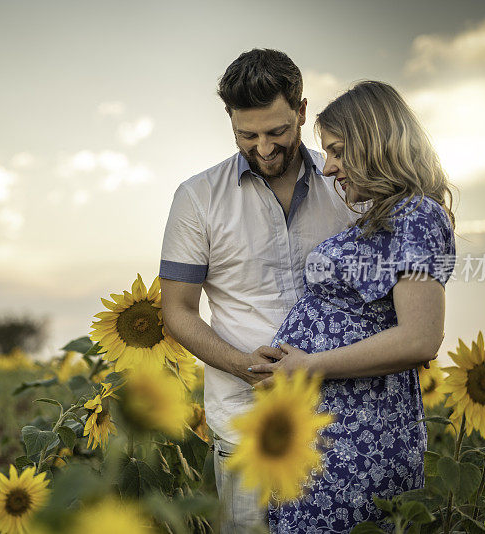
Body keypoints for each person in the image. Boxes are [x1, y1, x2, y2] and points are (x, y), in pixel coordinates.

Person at [159, 49, 360, 532]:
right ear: (231, 123)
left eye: (277, 132)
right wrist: (248, 368)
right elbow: (178, 311)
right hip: (246, 427)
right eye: (247, 136)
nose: (264, 148)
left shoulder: (348, 186)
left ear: (302, 112)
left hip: (347, 420)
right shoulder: (197, 198)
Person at [247, 81, 456, 532]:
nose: (328, 168)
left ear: (375, 140)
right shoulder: (382, 216)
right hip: (324, 436)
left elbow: (421, 338)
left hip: (359, 442)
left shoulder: (417, 215)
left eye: (338, 150)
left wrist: (308, 367)